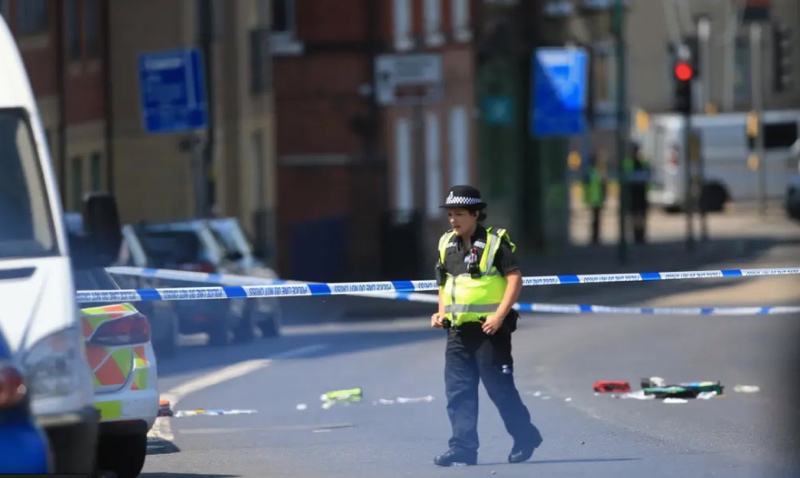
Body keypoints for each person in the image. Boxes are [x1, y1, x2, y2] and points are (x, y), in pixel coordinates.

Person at [431, 185, 542, 467]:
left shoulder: (495, 243)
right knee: (458, 391)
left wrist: (499, 316)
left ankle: (525, 435)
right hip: (457, 331)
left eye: (459, 214)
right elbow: (444, 284)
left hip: (489, 330)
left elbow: (514, 280)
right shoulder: (446, 244)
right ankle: (463, 447)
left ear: (475, 214)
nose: (453, 220)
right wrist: (441, 312)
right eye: (450, 214)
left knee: (499, 388)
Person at [623, 143, 651, 244]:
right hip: (633, 193)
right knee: (635, 216)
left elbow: (648, 175)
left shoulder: (643, 163)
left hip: (641, 192)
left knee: (641, 216)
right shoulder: (628, 163)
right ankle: (636, 235)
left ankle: (641, 235)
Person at [582, 154, 607, 245]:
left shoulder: (592, 172)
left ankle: (595, 236)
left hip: (595, 199)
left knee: (595, 219)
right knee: (595, 219)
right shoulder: (596, 172)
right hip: (595, 199)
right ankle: (595, 236)